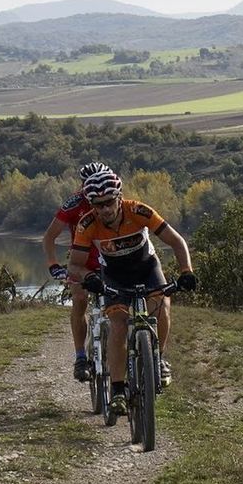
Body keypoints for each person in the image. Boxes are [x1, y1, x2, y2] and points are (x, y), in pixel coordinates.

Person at [66, 167, 197, 422]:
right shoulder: (87, 224)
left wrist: (186, 271)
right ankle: (117, 389)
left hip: (147, 268)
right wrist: (89, 277)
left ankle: (159, 359)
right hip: (114, 274)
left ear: (119, 197)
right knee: (118, 324)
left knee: (162, 305)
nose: (105, 209)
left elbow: (176, 241)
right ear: (91, 205)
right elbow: (74, 265)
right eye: (98, 205)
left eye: (109, 202)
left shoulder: (138, 211)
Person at [42, 162, 112, 383]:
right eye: (89, 184)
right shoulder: (74, 203)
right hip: (82, 263)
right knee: (80, 300)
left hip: (111, 260)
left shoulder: (113, 201)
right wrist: (53, 264)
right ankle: (81, 357)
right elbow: (49, 236)